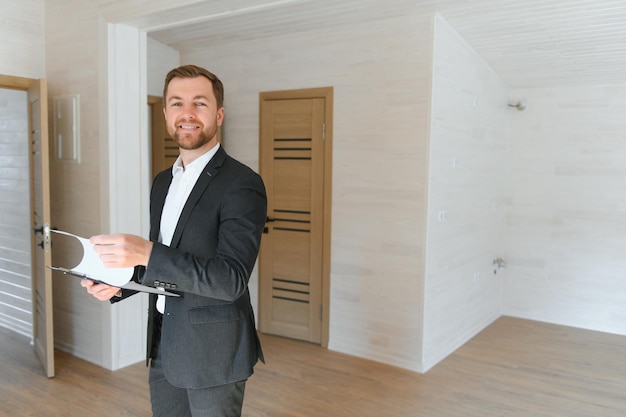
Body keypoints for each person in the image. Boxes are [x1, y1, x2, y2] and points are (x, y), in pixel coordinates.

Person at [81, 64, 267, 417]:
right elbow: (164, 262)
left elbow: (231, 280)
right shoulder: (162, 182)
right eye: (177, 103)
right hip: (165, 342)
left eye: (200, 103)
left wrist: (146, 252)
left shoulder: (242, 183)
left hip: (214, 352)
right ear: (166, 113)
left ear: (219, 113)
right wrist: (122, 284)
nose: (187, 114)